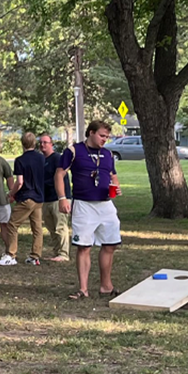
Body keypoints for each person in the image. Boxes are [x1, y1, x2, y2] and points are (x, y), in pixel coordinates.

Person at [55, 121, 121, 300]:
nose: (104, 140)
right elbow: (60, 174)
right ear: (91, 133)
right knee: (84, 246)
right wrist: (62, 198)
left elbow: (113, 175)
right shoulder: (74, 151)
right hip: (84, 204)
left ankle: (106, 286)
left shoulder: (107, 154)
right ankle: (83, 289)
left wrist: (116, 186)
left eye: (107, 137)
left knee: (110, 244)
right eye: (101, 136)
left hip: (105, 204)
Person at [2, 132, 46, 266]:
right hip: (39, 197)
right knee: (37, 228)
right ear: (35, 143)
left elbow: (19, 182)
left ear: (22, 143)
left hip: (27, 197)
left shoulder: (20, 160)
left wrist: (11, 193)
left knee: (12, 225)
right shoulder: (41, 158)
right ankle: (35, 256)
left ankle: (11, 254)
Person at [38, 133, 71, 262]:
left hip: (59, 198)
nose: (42, 145)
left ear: (51, 144)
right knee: (51, 227)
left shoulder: (57, 158)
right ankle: (57, 252)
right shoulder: (41, 160)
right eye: (40, 142)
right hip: (45, 198)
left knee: (60, 226)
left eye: (45, 142)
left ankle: (64, 254)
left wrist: (63, 198)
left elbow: (59, 177)